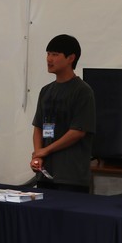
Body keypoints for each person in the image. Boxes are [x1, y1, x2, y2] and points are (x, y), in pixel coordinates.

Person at [30, 34, 96, 192]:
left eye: (55, 54)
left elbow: (77, 132)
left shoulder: (82, 91)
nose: (49, 59)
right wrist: (38, 155)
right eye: (48, 54)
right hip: (45, 174)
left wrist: (45, 150)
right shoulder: (46, 91)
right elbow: (38, 127)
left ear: (70, 58)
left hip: (71, 177)